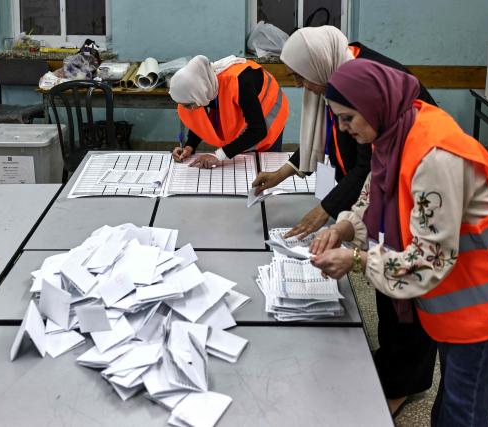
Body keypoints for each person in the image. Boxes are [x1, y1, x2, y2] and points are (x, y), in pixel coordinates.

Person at [311, 58, 488, 426]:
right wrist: (345, 227)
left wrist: (357, 260)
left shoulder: (434, 154)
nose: (342, 129)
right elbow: (376, 191)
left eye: (347, 118)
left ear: (373, 104)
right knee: (451, 401)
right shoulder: (392, 129)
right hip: (453, 292)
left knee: (462, 409)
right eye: (337, 119)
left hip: (483, 301)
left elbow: (427, 262)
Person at [251, 26, 437, 415]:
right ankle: (392, 363)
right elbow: (370, 177)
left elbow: (425, 261)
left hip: (474, 293)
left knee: (410, 303)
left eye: (302, 77)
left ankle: (404, 382)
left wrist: (339, 228)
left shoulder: (421, 148)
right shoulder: (344, 84)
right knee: (390, 294)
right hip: (391, 198)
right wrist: (345, 224)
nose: (301, 85)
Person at [252, 26, 435, 238]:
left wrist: (326, 210)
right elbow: (324, 134)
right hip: (375, 189)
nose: (298, 84)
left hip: (412, 185)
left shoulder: (364, 85)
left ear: (316, 65)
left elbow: (369, 165)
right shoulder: (334, 68)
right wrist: (282, 173)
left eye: (300, 76)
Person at [168, 55, 288, 168]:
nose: (189, 109)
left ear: (197, 94)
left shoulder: (240, 82)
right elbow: (200, 120)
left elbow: (258, 130)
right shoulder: (204, 87)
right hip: (248, 118)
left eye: (188, 105)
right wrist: (189, 147)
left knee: (265, 167)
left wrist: (218, 156)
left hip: (269, 115)